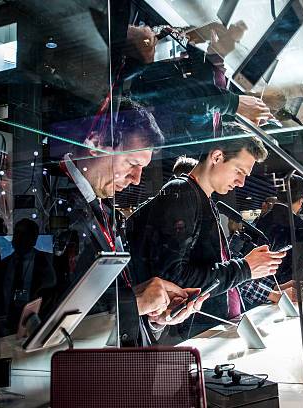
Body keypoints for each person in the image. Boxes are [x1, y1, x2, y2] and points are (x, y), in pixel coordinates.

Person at [53, 97, 207, 346]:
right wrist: (133, 303)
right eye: (132, 164)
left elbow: (105, 301)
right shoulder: (53, 203)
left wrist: (155, 315)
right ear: (96, 143)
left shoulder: (105, 210)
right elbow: (42, 321)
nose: (136, 179)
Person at [128, 136, 285, 339]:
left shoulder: (201, 198)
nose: (241, 182)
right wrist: (245, 268)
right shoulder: (181, 192)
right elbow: (174, 277)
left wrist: (245, 269)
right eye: (239, 171)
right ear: (217, 157)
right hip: (196, 328)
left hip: (212, 324)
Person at [124, 24, 273, 143]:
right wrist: (233, 105)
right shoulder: (145, 85)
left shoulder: (148, 74)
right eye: (154, 38)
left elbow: (195, 88)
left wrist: (214, 56)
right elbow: (188, 97)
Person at [240, 175, 303, 309]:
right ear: (301, 200)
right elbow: (299, 265)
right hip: (285, 295)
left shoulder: (259, 221)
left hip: (254, 294)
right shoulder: (299, 226)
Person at [0, 219, 57, 334]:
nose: (18, 238)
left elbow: (50, 293)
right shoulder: (3, 265)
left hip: (35, 324)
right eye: (16, 233)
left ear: (34, 239)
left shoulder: (45, 263)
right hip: (5, 324)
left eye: (23, 234)